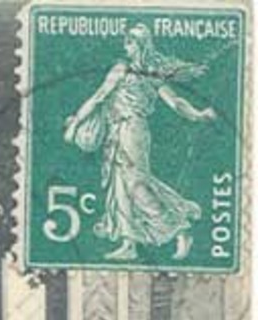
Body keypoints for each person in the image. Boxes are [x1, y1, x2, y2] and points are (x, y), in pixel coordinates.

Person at [62, 22, 216, 262]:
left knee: (136, 185)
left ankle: (179, 229)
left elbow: (174, 102)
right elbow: (99, 98)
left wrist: (198, 115)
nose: (127, 46)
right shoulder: (130, 70)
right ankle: (129, 243)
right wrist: (77, 121)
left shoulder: (138, 72)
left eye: (131, 42)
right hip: (117, 130)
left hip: (132, 131)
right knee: (119, 185)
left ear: (141, 45)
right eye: (127, 42)